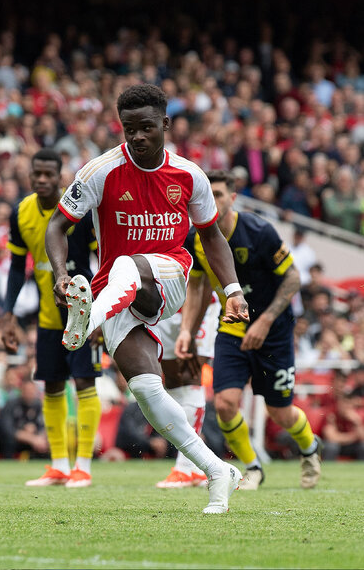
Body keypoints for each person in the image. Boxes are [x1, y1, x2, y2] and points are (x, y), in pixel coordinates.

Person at [45, 84, 249, 514]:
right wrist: (62, 275)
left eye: (147, 128)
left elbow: (211, 236)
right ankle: (217, 472)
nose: (137, 136)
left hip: (168, 276)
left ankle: (86, 321)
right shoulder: (99, 171)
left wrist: (232, 291)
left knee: (127, 265)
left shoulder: (189, 176)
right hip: (116, 291)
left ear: (165, 126)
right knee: (146, 391)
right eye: (129, 128)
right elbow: (55, 228)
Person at [176, 170, 322, 490]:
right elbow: (198, 286)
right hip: (231, 329)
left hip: (274, 332)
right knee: (225, 403)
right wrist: (188, 329)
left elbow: (293, 278)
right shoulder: (196, 237)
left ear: (233, 198)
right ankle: (252, 466)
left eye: (218, 193)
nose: (211, 200)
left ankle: (310, 448)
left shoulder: (258, 231)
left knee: (280, 413)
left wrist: (266, 320)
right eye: (206, 194)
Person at [1, 148, 102, 488]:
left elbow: (102, 257)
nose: (42, 180)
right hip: (47, 316)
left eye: (49, 175)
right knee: (52, 384)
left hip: (83, 314)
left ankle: (83, 467)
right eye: (37, 174)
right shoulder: (21, 213)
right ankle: (59, 466)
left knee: (85, 382)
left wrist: (101, 312)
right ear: (30, 175)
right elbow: (17, 268)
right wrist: (7, 313)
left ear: (61, 177)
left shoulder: (80, 211)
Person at [154, 289, 220, 488]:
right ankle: (192, 468)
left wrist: (190, 330)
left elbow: (202, 275)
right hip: (165, 304)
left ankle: (185, 466)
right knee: (173, 381)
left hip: (199, 302)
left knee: (191, 375)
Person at [0, 378, 48, 459]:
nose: (30, 393)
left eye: (32, 391)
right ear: (21, 390)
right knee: (9, 441)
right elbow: (7, 430)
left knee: (46, 442)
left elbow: (44, 426)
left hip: (34, 441)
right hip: (12, 442)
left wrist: (39, 436)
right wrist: (30, 437)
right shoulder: (11, 404)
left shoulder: (38, 405)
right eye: (27, 390)